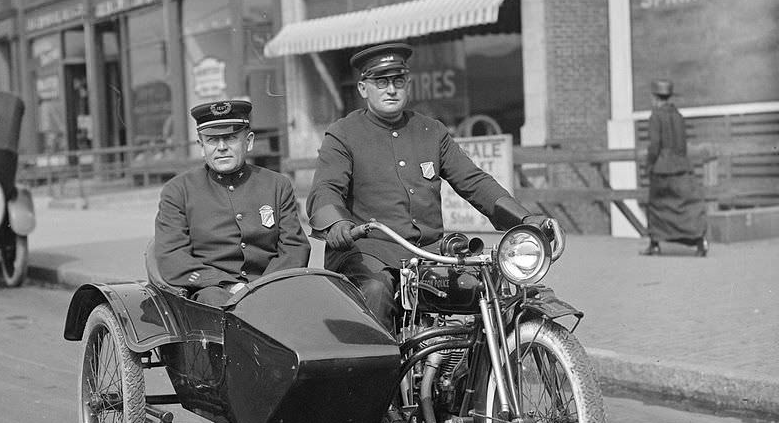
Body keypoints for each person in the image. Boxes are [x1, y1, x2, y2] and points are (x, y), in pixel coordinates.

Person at [307, 42, 562, 331]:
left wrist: (524, 219)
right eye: (381, 81)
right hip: (369, 254)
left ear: (408, 84)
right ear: (363, 88)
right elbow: (325, 188)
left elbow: (474, 181)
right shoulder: (344, 134)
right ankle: (379, 374)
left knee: (488, 289)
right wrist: (337, 224)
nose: (391, 89)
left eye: (398, 81)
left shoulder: (431, 131)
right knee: (376, 291)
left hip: (428, 254)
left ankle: (476, 369)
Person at [151, 99, 310, 305]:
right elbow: (172, 257)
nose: (222, 147)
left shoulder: (277, 185)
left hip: (273, 285)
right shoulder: (178, 191)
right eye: (212, 140)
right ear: (201, 146)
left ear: (249, 141)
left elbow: (295, 247)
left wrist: (263, 287)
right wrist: (226, 285)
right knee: (217, 303)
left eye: (231, 138)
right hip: (212, 292)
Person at [641, 79, 708, 257]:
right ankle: (700, 241)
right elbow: (683, 145)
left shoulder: (655, 116)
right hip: (682, 167)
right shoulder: (679, 116)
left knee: (657, 206)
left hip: (662, 169)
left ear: (655, 97)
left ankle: (654, 244)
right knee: (685, 206)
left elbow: (654, 146)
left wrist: (648, 165)